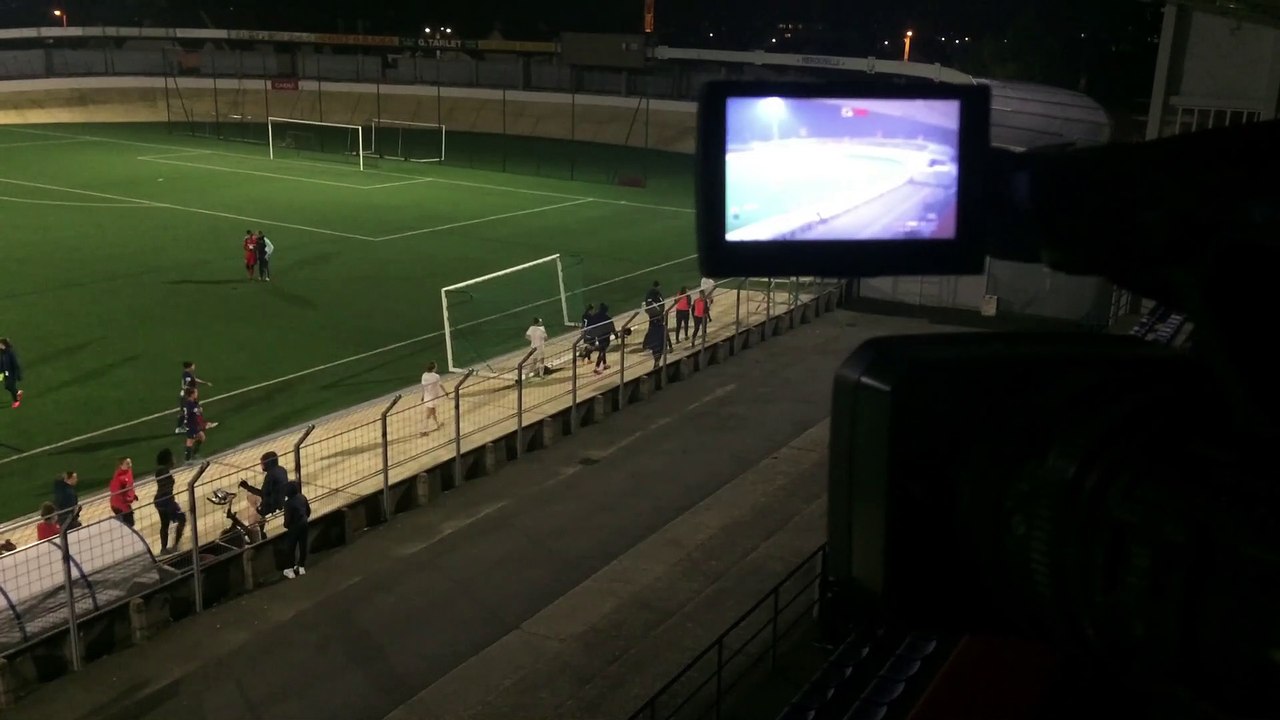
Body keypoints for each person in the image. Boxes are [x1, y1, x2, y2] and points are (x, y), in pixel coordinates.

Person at [238, 451, 290, 541]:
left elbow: (262, 494)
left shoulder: (270, 476)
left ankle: (258, 538)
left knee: (252, 520)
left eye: (262, 463)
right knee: (251, 497)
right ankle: (261, 521)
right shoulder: (282, 469)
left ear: (268, 463)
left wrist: (247, 486)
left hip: (271, 504)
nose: (261, 465)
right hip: (280, 499)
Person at [153, 448, 186, 554]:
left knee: (165, 524)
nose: (174, 459)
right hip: (166, 502)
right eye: (172, 457)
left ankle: (164, 549)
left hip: (160, 501)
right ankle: (175, 546)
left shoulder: (163, 470)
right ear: (168, 459)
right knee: (182, 519)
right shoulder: (163, 470)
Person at [281, 481, 311, 579]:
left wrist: (286, 525)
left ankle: (290, 570)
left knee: (291, 548)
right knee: (303, 545)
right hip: (304, 524)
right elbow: (308, 511)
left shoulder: (288, 503)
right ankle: (301, 566)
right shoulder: (302, 497)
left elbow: (288, 519)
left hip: (294, 527)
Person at [174, 361, 213, 434]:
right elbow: (187, 385)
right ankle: (180, 428)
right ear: (189, 367)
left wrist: (205, 383)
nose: (194, 367)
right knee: (187, 411)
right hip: (187, 395)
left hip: (189, 395)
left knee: (195, 409)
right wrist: (190, 393)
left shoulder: (189, 374)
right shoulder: (186, 375)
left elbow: (194, 380)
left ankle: (197, 424)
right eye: (193, 366)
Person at [181, 387, 212, 462]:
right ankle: (187, 460)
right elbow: (196, 413)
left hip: (192, 424)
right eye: (196, 393)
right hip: (190, 424)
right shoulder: (190, 404)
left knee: (202, 437)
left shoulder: (190, 402)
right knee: (190, 441)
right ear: (192, 394)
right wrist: (205, 424)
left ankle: (194, 454)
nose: (197, 394)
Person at [109, 457, 137, 527]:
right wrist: (129, 499)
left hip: (125, 503)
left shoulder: (128, 472)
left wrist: (133, 495)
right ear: (121, 466)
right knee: (128, 525)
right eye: (127, 463)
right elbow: (116, 494)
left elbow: (129, 487)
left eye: (130, 463)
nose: (130, 465)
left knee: (130, 524)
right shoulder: (118, 478)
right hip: (119, 506)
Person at [590, 304, 618, 375]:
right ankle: (597, 366)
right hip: (605, 335)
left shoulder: (595, 316)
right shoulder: (607, 318)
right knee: (602, 350)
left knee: (602, 349)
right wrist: (616, 335)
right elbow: (612, 327)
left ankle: (604, 364)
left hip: (598, 335)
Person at [420, 362, 445, 435]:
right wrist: (446, 392)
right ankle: (423, 430)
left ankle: (437, 424)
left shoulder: (424, 375)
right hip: (432, 398)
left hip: (427, 397)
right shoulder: (436, 376)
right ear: (433, 368)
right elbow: (440, 385)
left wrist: (422, 395)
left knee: (433, 412)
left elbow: (423, 387)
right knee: (428, 415)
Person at [0, 338, 23, 409]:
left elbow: (16, 365)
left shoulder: (10, 353)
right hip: (6, 373)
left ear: (4, 345)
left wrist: (18, 375)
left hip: (12, 373)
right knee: (7, 386)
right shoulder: (2, 352)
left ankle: (16, 401)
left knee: (10, 386)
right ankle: (18, 392)